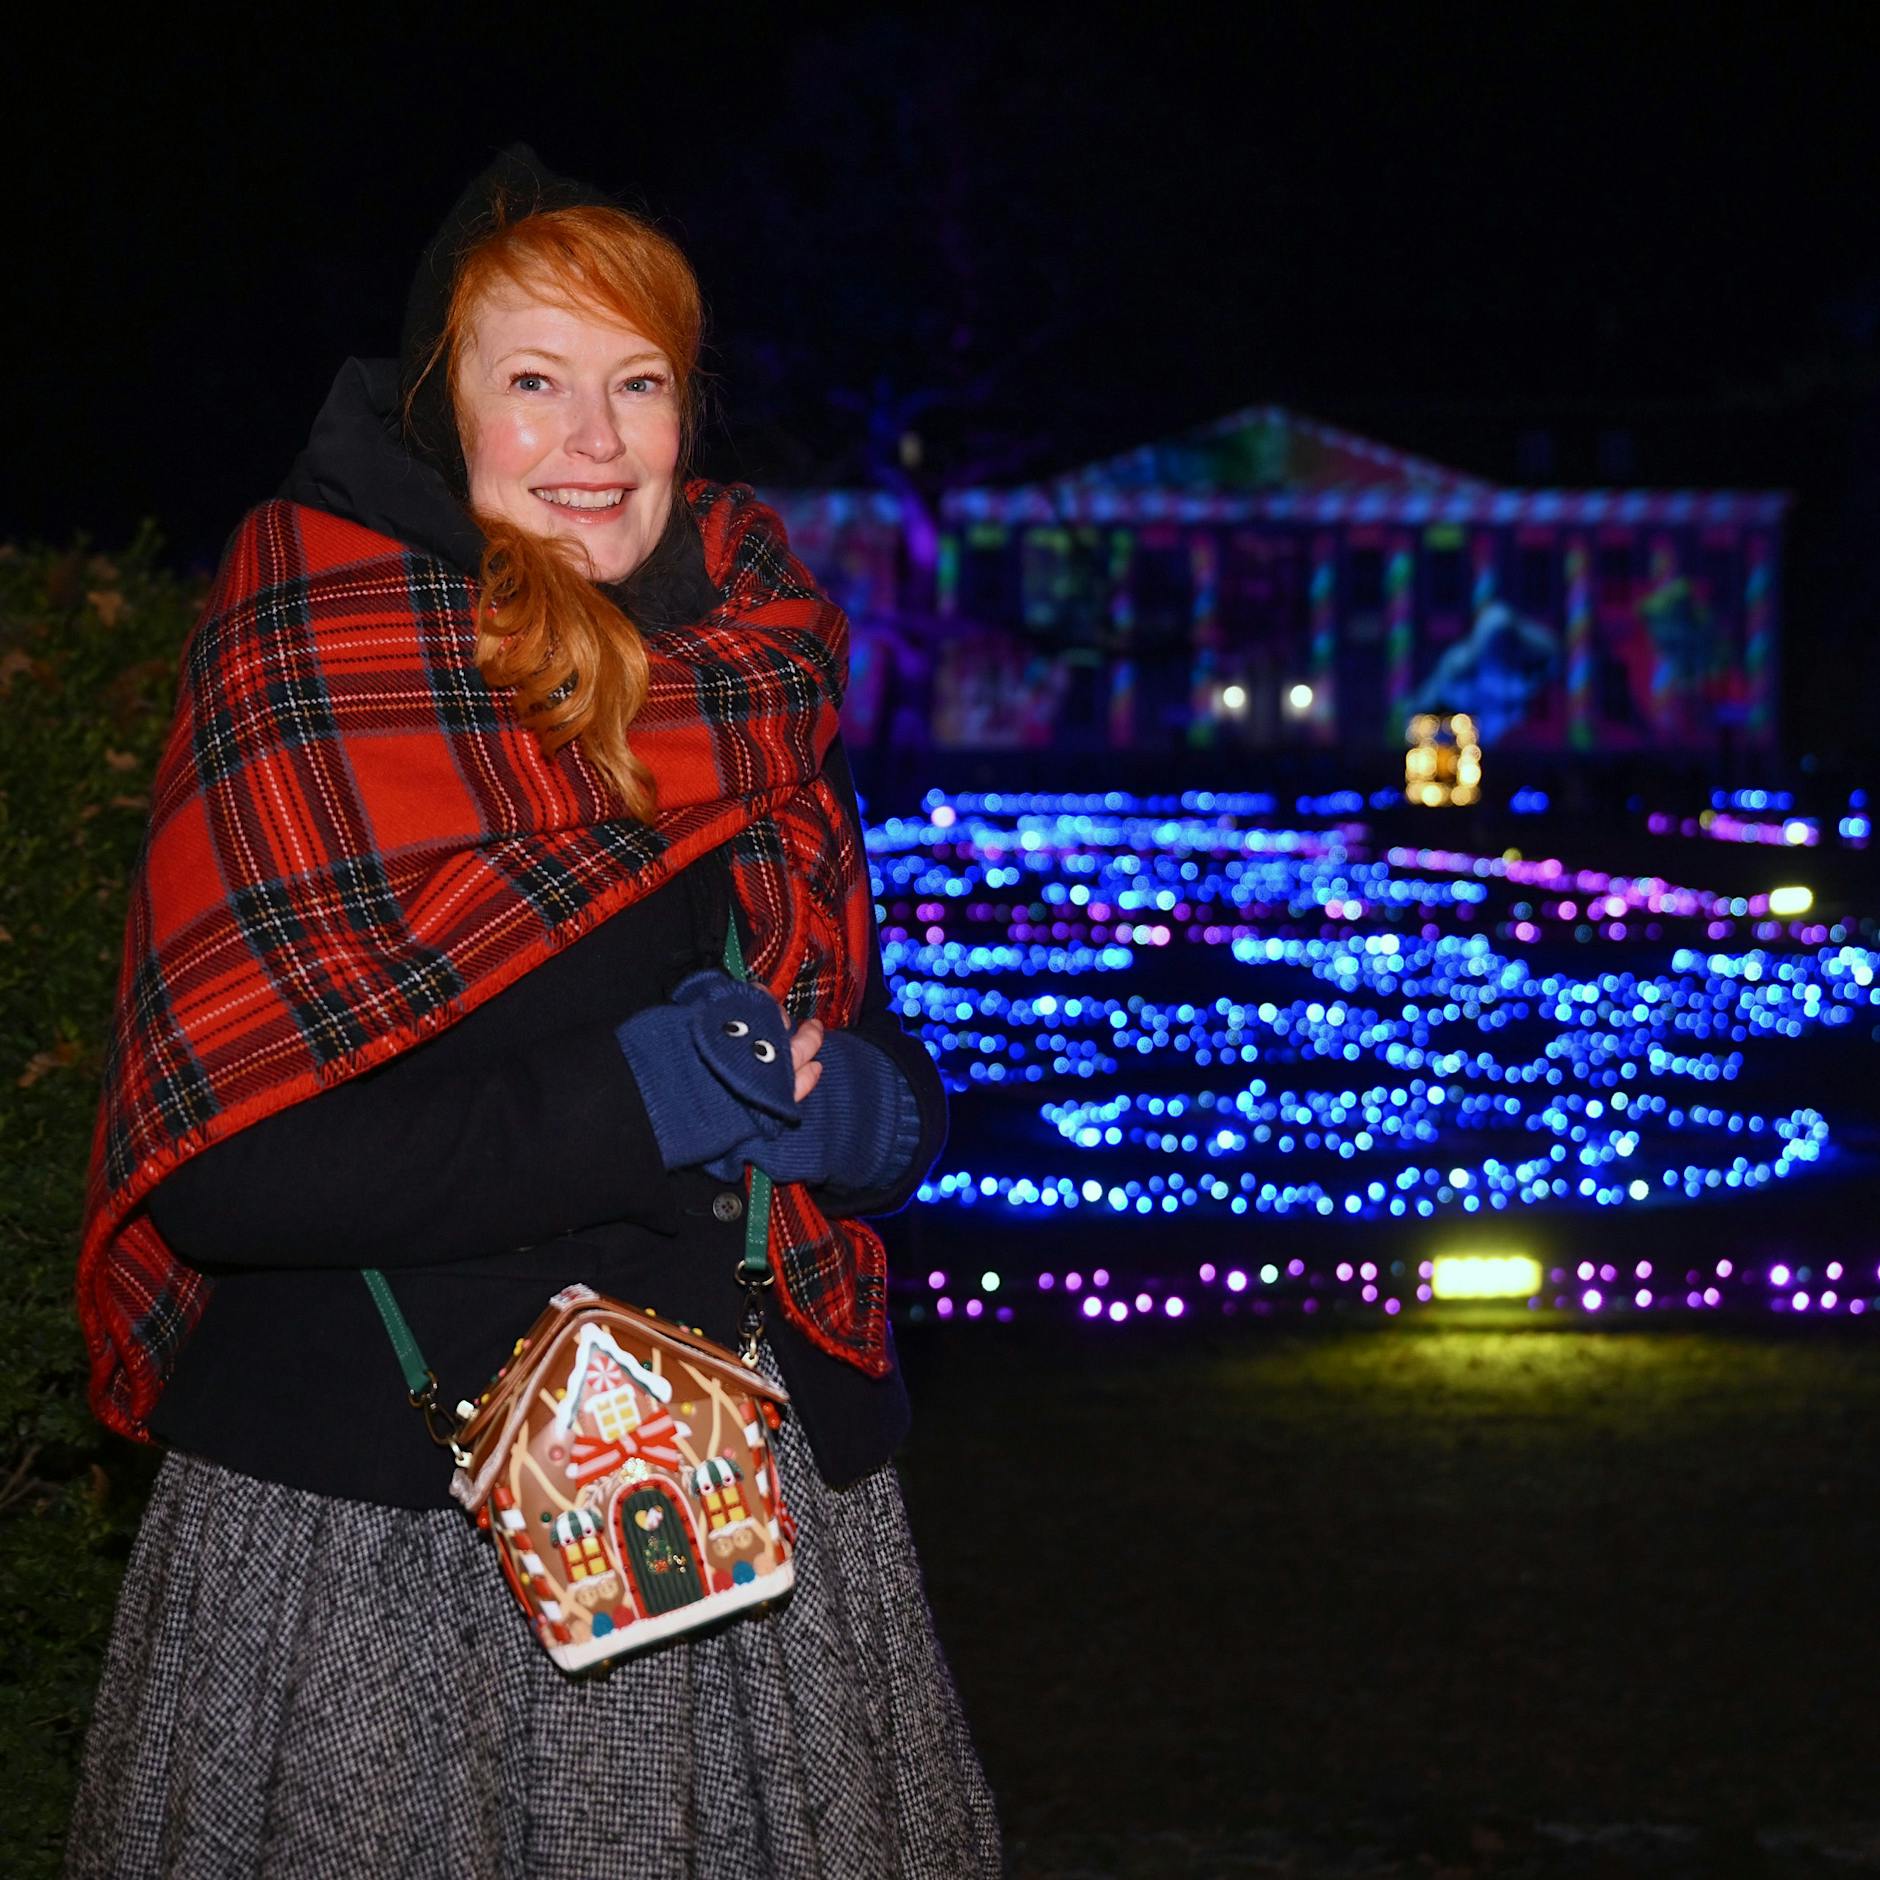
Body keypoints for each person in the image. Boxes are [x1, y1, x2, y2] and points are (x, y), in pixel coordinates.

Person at [67, 147, 1002, 1878]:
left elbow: (862, 1040)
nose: (595, 439)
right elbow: (228, 1169)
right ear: (442, 410)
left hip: (747, 1537)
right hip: (376, 1555)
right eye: (536, 382)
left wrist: (872, 1120)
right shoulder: (307, 664)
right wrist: (639, 1101)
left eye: (638, 384)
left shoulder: (761, 663)